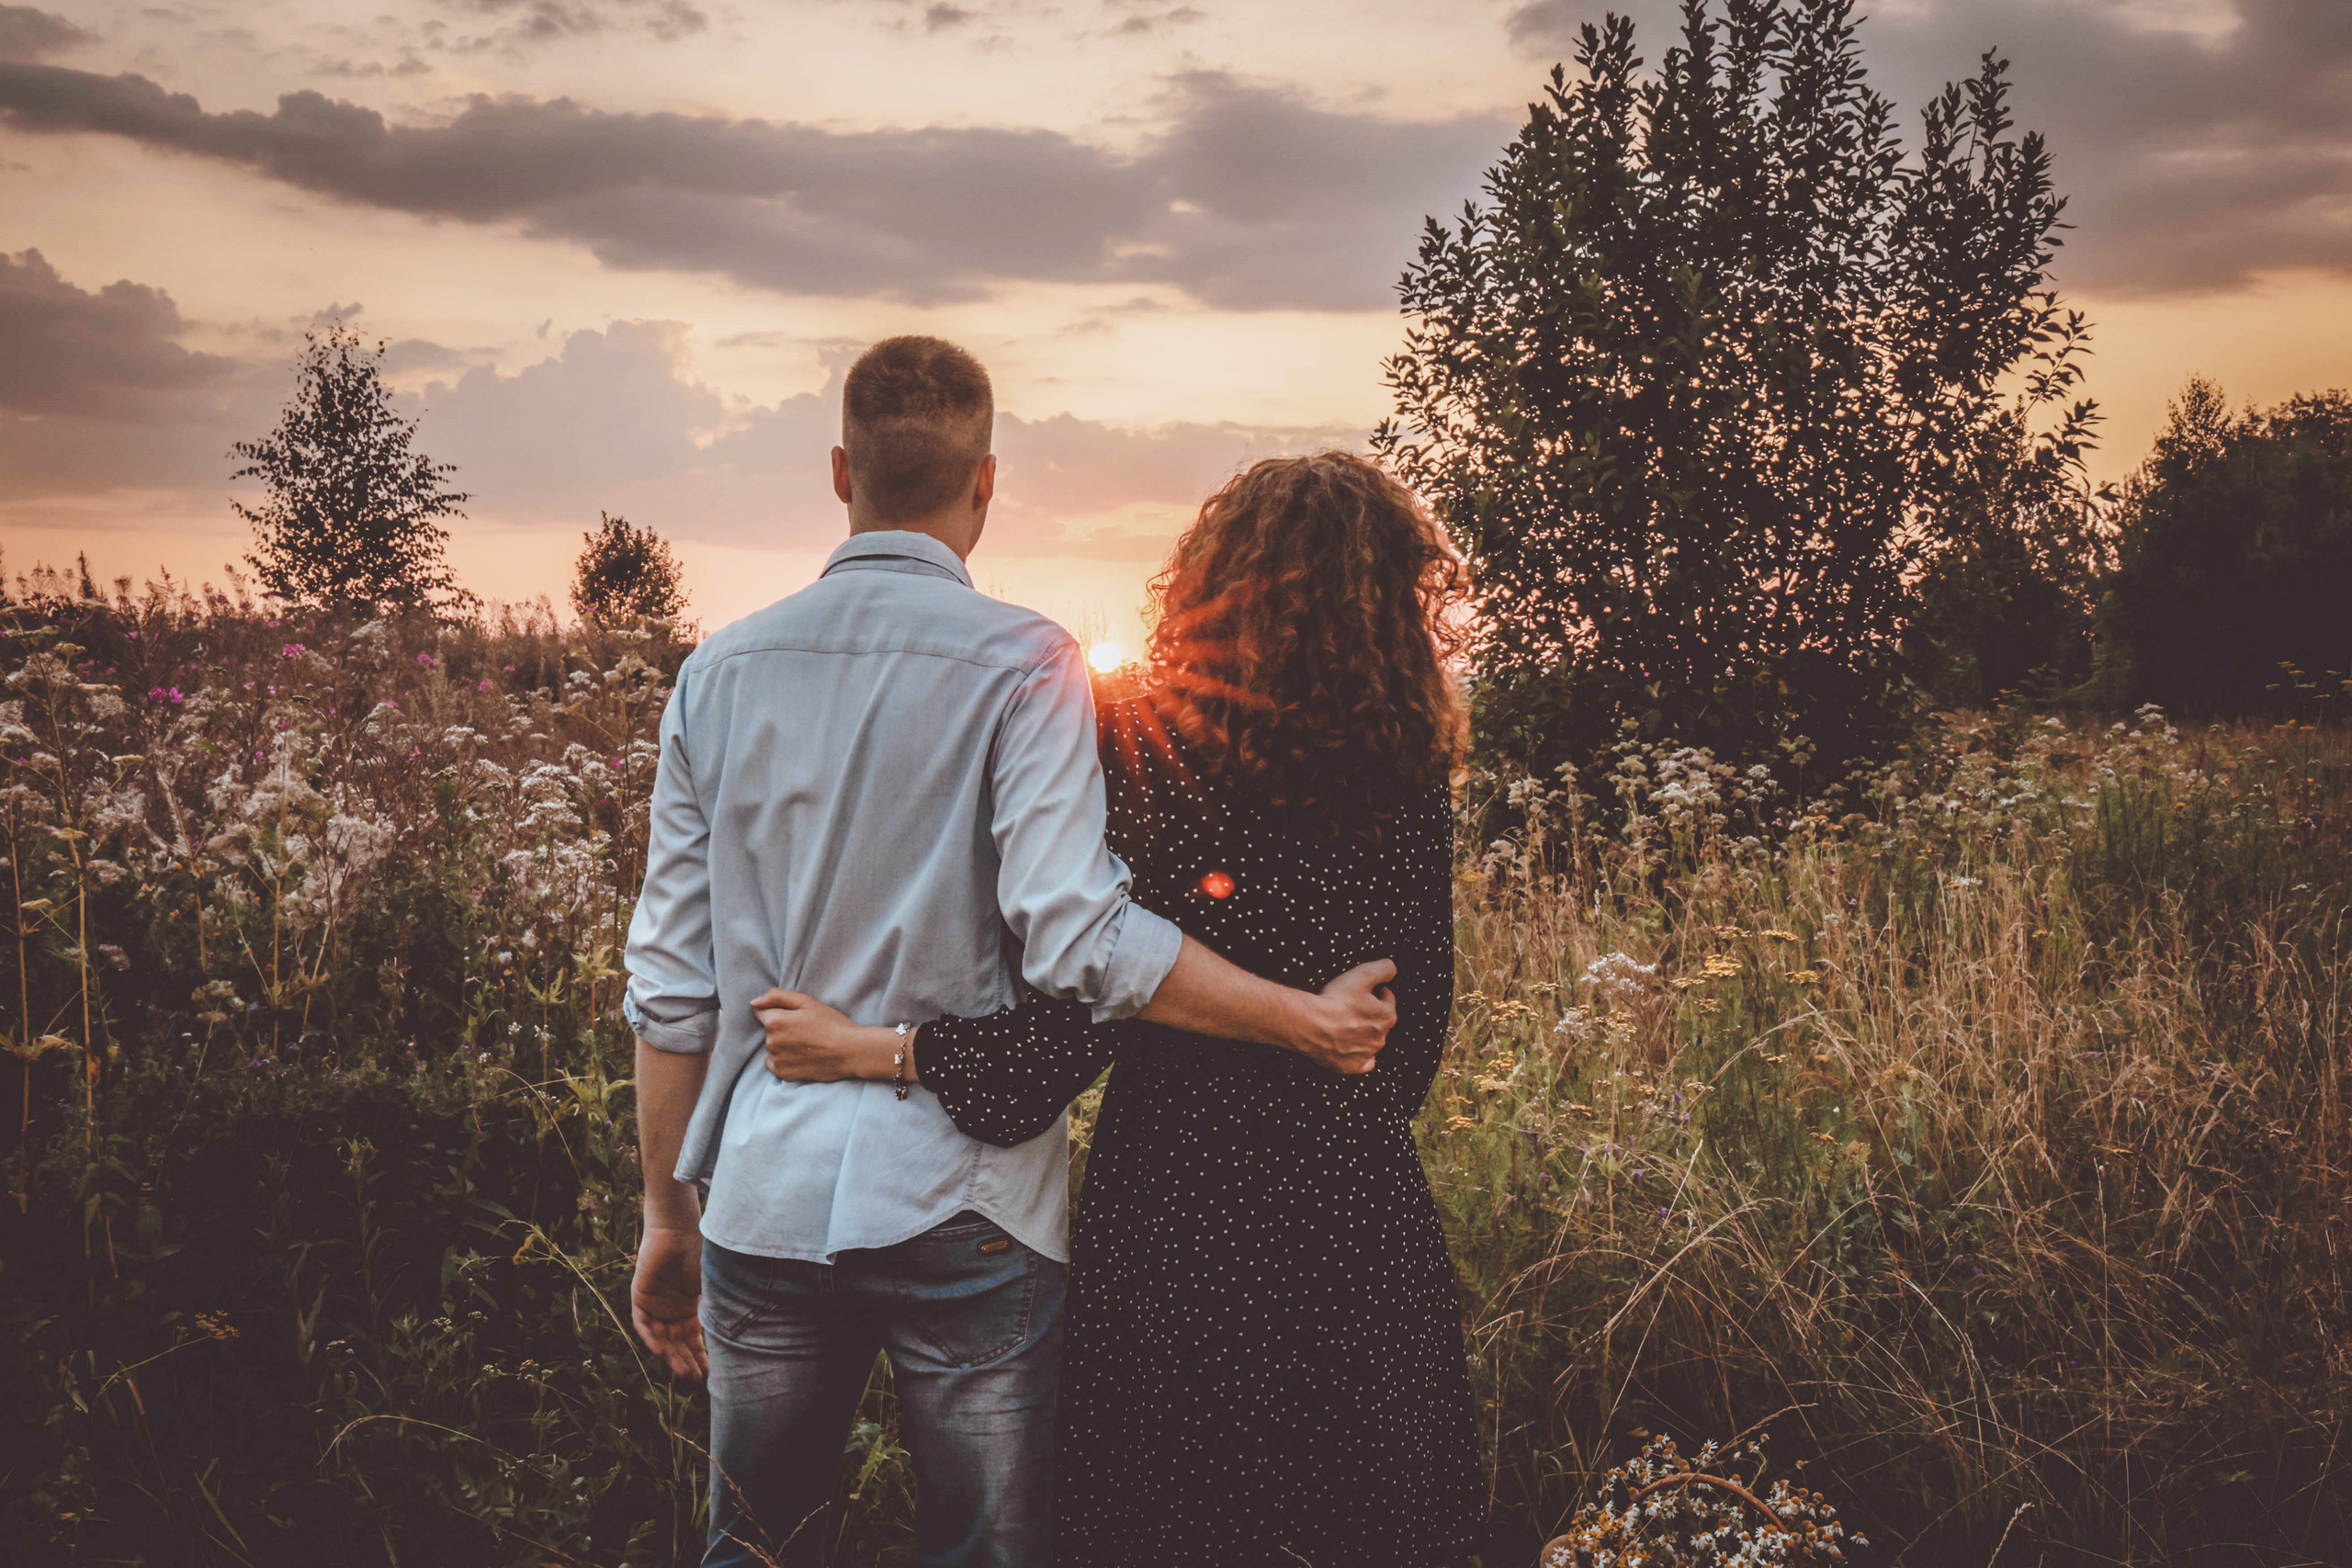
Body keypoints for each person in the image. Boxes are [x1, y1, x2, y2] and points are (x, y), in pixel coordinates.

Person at [622, 338, 1402, 1568]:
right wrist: (1300, 1018)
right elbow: (1080, 935)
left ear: (840, 470)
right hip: (971, 1204)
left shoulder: (716, 674)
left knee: (757, 1547)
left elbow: (671, 989)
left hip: (762, 1202)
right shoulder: (1028, 663)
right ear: (986, 482)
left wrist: (666, 1213)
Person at [759, 452, 1488, 1568]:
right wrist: (1317, 1040)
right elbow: (1410, 1042)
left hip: (1176, 1218)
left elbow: (1069, 1021)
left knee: (1173, 1528)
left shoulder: (1147, 750)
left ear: (1206, 589)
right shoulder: (1405, 774)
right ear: (1395, 602)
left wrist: (876, 1049)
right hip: (1356, 1224)